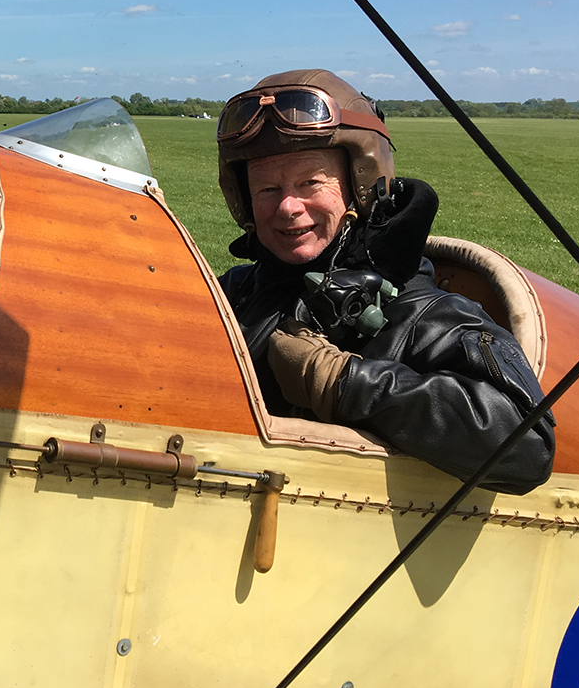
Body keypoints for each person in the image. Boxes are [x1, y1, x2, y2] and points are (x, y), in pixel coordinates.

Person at [216, 69, 554, 494]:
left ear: (361, 188)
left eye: (310, 183)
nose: (287, 207)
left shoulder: (425, 314)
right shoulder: (233, 293)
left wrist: (343, 381)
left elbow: (528, 447)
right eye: (267, 189)